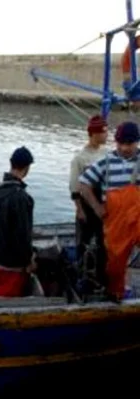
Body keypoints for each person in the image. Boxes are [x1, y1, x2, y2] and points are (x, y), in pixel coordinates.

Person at [78, 121, 140, 302]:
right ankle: (116, 294)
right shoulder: (106, 162)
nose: (124, 148)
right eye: (121, 143)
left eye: (129, 143)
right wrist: (97, 207)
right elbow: (83, 184)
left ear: (137, 142)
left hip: (138, 218)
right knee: (115, 263)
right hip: (116, 223)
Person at [0, 146, 35, 297]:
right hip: (10, 266)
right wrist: (28, 261)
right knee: (5, 305)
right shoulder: (21, 198)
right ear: (27, 168)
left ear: (11, 163)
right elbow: (22, 236)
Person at [69, 115, 108, 286]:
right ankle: (81, 275)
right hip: (86, 205)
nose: (107, 135)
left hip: (103, 205)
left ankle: (101, 276)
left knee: (103, 242)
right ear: (94, 134)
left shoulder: (106, 154)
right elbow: (74, 187)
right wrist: (79, 209)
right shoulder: (80, 158)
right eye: (104, 132)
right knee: (83, 242)